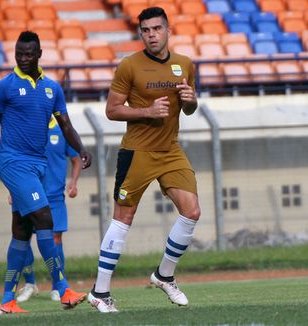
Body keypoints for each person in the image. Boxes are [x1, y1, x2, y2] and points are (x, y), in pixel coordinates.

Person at [87, 7, 200, 313]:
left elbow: (188, 108)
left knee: (191, 211)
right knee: (123, 217)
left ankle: (164, 275)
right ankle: (100, 292)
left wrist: (192, 102)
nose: (151, 35)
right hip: (137, 152)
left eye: (156, 29)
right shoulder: (129, 66)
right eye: (146, 30)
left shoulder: (184, 64)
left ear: (167, 30)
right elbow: (112, 110)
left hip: (171, 150)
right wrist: (146, 112)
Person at [0, 31, 92, 315]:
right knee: (44, 217)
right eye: (19, 54)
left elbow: (66, 126)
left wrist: (81, 148)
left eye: (29, 54)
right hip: (13, 164)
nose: (24, 59)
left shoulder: (52, 89)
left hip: (37, 166)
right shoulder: (4, 87)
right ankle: (63, 288)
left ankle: (7, 300)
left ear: (40, 54)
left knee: (22, 231)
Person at [15, 116, 82, 303]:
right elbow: (16, 161)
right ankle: (30, 284)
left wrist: (74, 182)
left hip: (55, 197)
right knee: (23, 238)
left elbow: (77, 159)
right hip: (28, 193)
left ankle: (57, 285)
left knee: (55, 238)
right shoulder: (27, 126)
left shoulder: (62, 129)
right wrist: (14, 188)